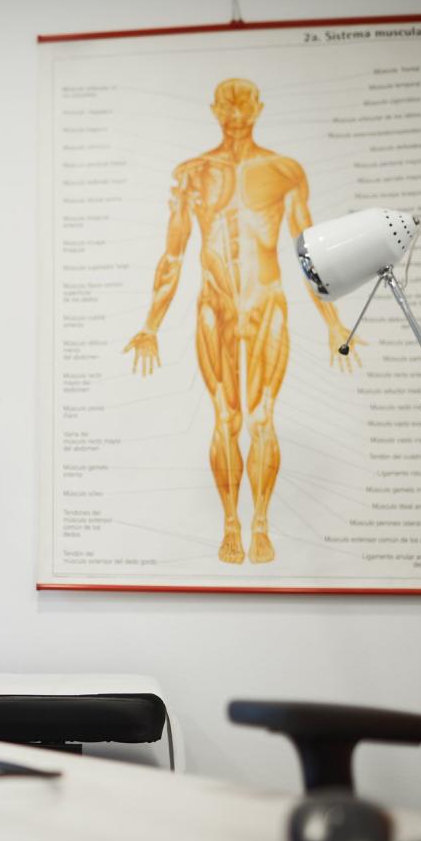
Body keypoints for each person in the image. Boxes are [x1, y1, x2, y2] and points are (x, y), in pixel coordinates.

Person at [123, 78, 361, 566]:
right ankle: (231, 522)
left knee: (261, 417)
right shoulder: (192, 174)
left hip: (266, 304)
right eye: (227, 105)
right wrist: (150, 323)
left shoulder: (283, 171)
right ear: (214, 109)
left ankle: (260, 523)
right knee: (226, 419)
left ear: (259, 107)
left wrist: (334, 321)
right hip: (215, 306)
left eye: (244, 103)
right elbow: (173, 254)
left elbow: (307, 252)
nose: (235, 112)